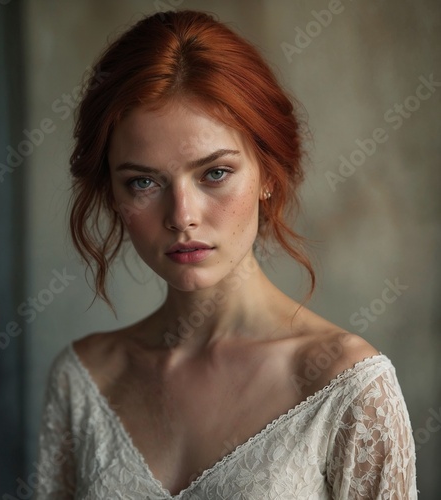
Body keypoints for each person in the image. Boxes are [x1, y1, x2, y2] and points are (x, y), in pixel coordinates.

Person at [35, 10, 417, 499]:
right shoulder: (84, 380)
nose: (182, 215)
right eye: (143, 182)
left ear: (269, 175)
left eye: (214, 173)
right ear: (112, 193)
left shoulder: (349, 389)